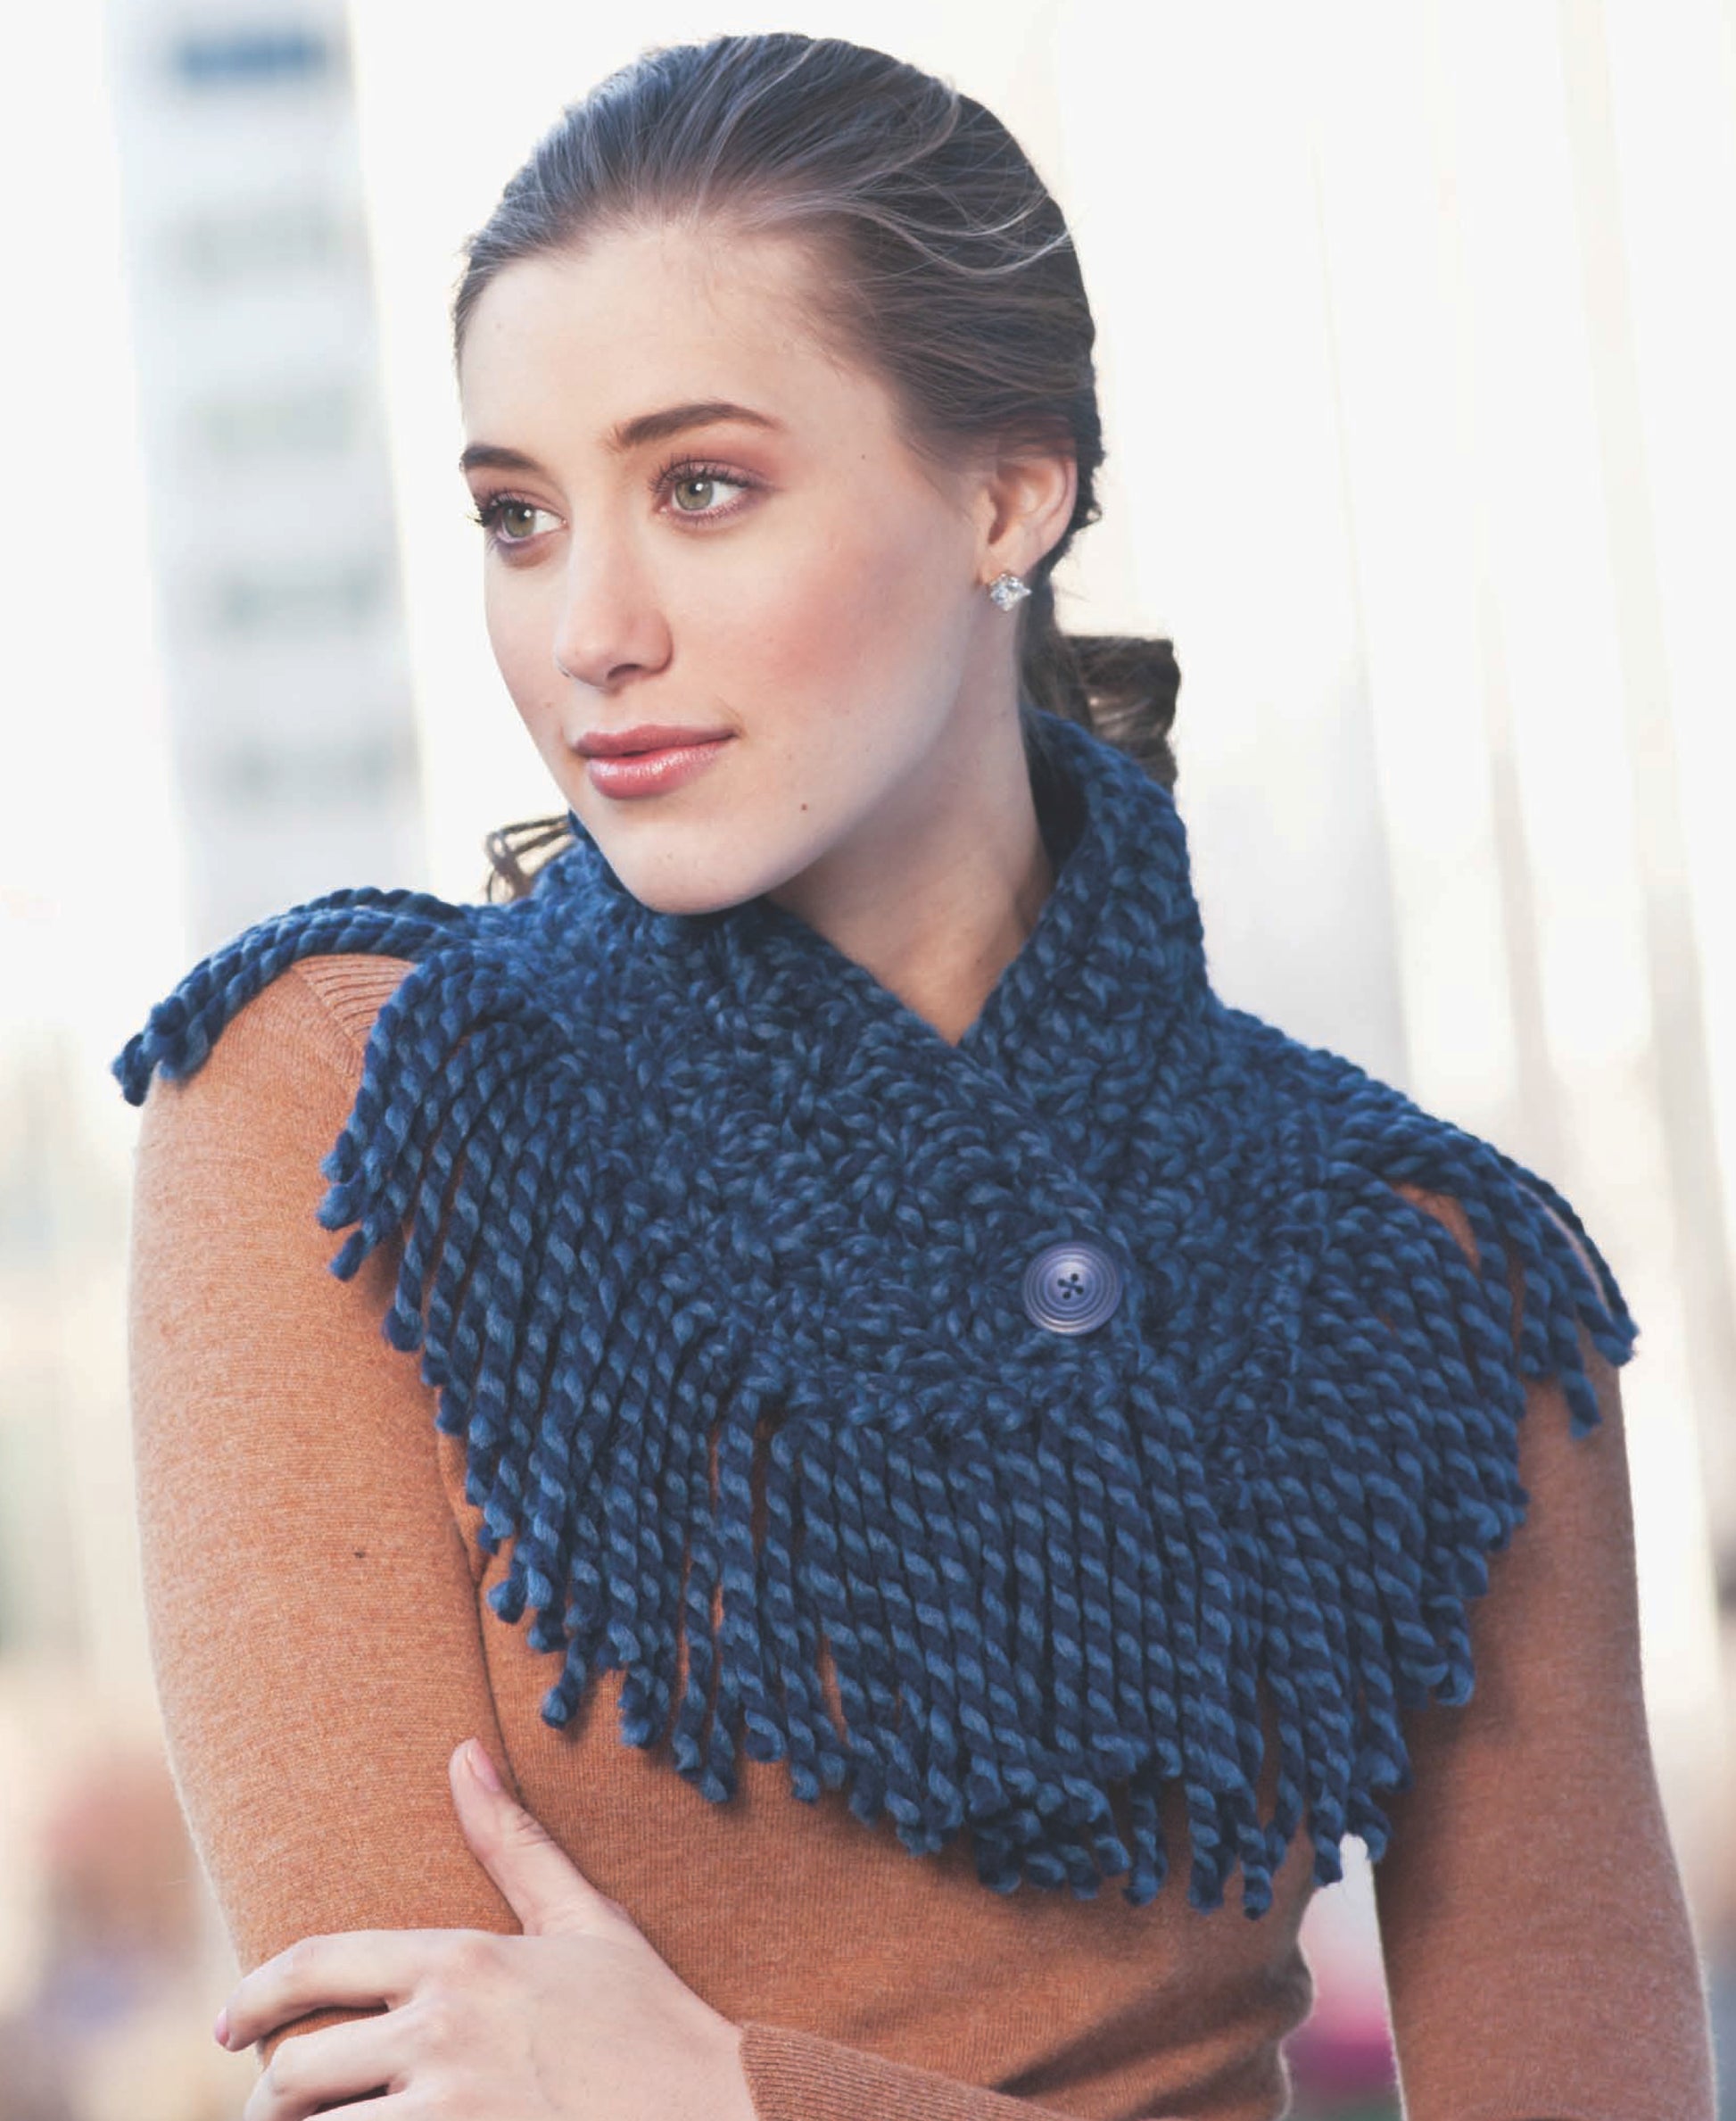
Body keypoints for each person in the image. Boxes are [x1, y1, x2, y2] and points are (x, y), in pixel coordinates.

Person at [115, 30, 1717, 2121]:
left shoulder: (1414, 1277)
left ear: (1006, 492)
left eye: (700, 487)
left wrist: (739, 2098)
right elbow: (398, 2085)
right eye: (517, 516)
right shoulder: (349, 1110)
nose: (587, 626)